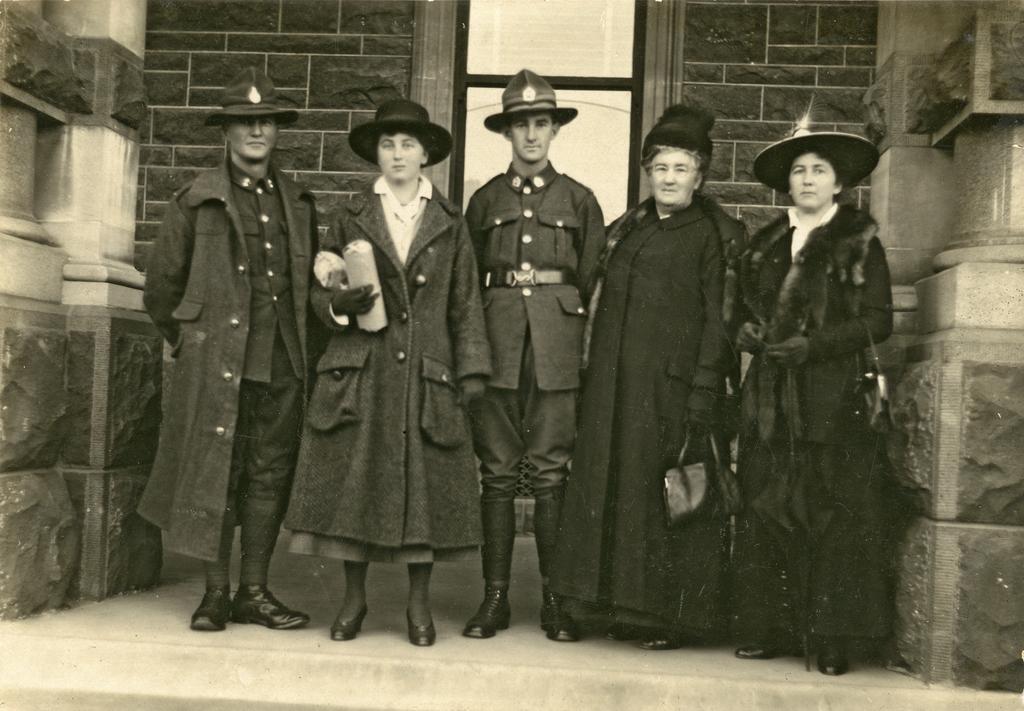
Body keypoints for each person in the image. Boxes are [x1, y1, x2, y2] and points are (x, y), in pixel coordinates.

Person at [284, 99, 491, 647]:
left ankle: (418, 607)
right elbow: (319, 288)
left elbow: (466, 302)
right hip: (362, 369)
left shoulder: (450, 221)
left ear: (426, 154)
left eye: (408, 144)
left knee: (423, 496)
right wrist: (337, 302)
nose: (397, 154)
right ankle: (354, 602)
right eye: (387, 144)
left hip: (426, 374)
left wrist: (470, 374)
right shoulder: (349, 214)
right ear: (376, 153)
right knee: (357, 490)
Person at [551, 105, 741, 649]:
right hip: (613, 390)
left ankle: (661, 618)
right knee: (608, 490)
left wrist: (704, 385)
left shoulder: (713, 236)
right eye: (661, 168)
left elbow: (719, 318)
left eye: (682, 169)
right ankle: (596, 602)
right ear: (648, 173)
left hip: (670, 391)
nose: (670, 179)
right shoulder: (627, 231)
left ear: (699, 176)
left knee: (664, 500)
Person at [139, 67, 318, 632]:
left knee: (268, 473)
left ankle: (255, 591)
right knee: (217, 471)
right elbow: (161, 289)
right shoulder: (197, 199)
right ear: (227, 131)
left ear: (277, 130)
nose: (256, 132)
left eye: (264, 121)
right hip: (218, 363)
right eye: (245, 122)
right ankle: (216, 593)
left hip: (283, 363)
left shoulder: (300, 202)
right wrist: (194, 343)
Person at [730, 124, 893, 675]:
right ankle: (771, 626)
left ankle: (830, 637)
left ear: (838, 182)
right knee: (768, 503)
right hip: (772, 395)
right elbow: (742, 310)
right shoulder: (767, 242)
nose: (807, 179)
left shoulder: (858, 240)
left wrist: (815, 346)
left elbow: (878, 320)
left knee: (830, 513)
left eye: (818, 170)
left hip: (831, 397)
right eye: (799, 170)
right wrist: (749, 334)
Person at [462, 69, 606, 642]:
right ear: (507, 132)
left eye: (541, 123)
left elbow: (594, 282)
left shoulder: (579, 200)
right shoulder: (484, 200)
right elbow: (466, 284)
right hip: (497, 346)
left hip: (557, 349)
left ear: (554, 130)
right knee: (496, 474)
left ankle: (556, 599)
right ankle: (494, 598)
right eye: (521, 125)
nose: (531, 136)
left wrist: (584, 354)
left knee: (550, 474)